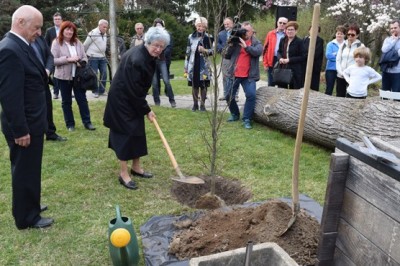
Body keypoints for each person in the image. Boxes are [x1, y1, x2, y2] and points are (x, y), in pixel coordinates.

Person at [0, 5, 54, 229]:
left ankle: (31, 205)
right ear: (20, 22)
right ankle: (26, 217)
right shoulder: (9, 50)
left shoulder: (23, 45)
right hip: (24, 127)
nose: (40, 33)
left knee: (31, 169)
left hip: (33, 122)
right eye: (37, 27)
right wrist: (20, 130)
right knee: (24, 171)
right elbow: (10, 97)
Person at [103, 26, 170, 190]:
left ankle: (136, 167)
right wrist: (146, 109)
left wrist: (143, 108)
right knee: (125, 136)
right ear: (148, 42)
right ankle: (123, 174)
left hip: (133, 99)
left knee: (138, 132)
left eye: (162, 46)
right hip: (122, 102)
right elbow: (133, 90)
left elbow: (138, 89)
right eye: (156, 45)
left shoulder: (147, 55)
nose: (158, 49)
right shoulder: (137, 59)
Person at [51, 21, 96, 132]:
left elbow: (85, 57)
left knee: (82, 100)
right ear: (62, 30)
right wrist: (67, 59)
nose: (70, 31)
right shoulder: (56, 43)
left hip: (78, 76)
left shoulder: (77, 42)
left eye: (72, 30)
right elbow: (52, 60)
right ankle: (70, 124)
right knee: (66, 102)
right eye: (67, 29)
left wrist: (81, 62)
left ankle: (87, 122)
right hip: (63, 77)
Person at [224, 21, 263, 129]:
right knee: (228, 96)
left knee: (251, 95)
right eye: (243, 30)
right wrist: (231, 45)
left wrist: (246, 47)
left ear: (252, 32)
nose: (245, 33)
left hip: (248, 76)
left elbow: (257, 52)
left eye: (247, 31)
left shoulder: (256, 42)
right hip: (234, 74)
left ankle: (246, 119)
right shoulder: (235, 41)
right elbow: (226, 56)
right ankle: (235, 114)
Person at [32, 35, 67, 142]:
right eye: (36, 26)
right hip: (30, 82)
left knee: (48, 107)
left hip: (44, 80)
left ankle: (50, 133)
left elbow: (50, 56)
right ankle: (33, 135)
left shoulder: (40, 39)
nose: (38, 30)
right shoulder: (21, 42)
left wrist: (47, 70)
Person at [185, 17, 213, 112]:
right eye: (198, 26)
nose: (200, 28)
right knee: (194, 85)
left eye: (202, 26)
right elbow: (188, 52)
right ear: (196, 26)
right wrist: (186, 66)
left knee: (203, 85)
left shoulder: (209, 37)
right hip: (193, 64)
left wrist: (204, 50)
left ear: (205, 27)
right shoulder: (191, 37)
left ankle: (202, 105)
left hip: (204, 65)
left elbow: (212, 52)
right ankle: (195, 104)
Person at [151, 18, 176, 107]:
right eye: (156, 26)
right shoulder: (151, 36)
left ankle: (172, 100)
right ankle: (157, 102)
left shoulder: (167, 35)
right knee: (154, 83)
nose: (158, 27)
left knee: (166, 81)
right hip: (153, 61)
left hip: (162, 61)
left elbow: (169, 47)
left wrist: (160, 52)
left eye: (160, 25)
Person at [336, 24, 364, 97]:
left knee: (351, 97)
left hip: (353, 77)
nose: (350, 36)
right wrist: (340, 72)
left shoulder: (361, 46)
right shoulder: (343, 45)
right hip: (341, 75)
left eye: (352, 35)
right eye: (348, 34)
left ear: (357, 35)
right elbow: (338, 60)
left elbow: (362, 63)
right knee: (339, 96)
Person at [276, 21, 306, 89]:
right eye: (288, 29)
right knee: (282, 89)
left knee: (294, 91)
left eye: (292, 30)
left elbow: (303, 56)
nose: (290, 31)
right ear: (285, 31)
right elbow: (278, 52)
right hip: (283, 68)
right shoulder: (283, 40)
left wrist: (289, 60)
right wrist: (280, 58)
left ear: (296, 31)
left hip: (295, 70)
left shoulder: (300, 42)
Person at [84, 19, 109, 97]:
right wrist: (84, 56)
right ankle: (95, 91)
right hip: (93, 57)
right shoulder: (93, 33)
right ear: (99, 26)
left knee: (104, 73)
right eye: (104, 27)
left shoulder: (105, 34)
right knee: (94, 74)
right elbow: (85, 45)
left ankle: (102, 90)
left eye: (106, 27)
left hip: (102, 56)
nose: (105, 29)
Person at [262, 17, 288, 86]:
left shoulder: (288, 35)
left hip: (283, 60)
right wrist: (265, 63)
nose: (282, 24)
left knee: (281, 83)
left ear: (286, 25)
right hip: (271, 59)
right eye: (280, 22)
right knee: (271, 82)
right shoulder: (270, 34)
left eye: (284, 23)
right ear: (277, 23)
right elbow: (265, 49)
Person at [44, 12, 63, 99]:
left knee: (66, 73)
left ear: (61, 20)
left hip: (64, 54)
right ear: (53, 20)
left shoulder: (65, 29)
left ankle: (66, 92)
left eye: (58, 19)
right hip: (53, 55)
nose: (57, 20)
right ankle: (56, 92)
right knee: (55, 74)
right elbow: (46, 43)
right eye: (55, 19)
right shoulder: (49, 31)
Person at [217, 17, 236, 101]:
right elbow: (217, 44)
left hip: (235, 57)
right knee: (225, 76)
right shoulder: (221, 34)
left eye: (228, 23)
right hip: (225, 57)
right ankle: (225, 94)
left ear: (232, 24)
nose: (226, 25)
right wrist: (222, 50)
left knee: (234, 76)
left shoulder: (236, 33)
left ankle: (234, 95)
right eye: (225, 24)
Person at [325, 25, 345, 95]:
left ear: (344, 35)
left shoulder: (346, 45)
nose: (339, 35)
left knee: (341, 90)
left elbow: (346, 57)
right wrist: (340, 57)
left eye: (341, 34)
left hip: (342, 70)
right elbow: (328, 55)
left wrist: (335, 54)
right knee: (329, 88)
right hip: (331, 69)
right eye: (338, 33)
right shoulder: (330, 44)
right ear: (335, 34)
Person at [303, 25, 324, 91]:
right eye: (312, 29)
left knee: (313, 86)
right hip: (304, 65)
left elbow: (316, 53)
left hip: (314, 67)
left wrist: (305, 55)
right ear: (309, 30)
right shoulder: (305, 39)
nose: (313, 31)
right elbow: (301, 51)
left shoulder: (320, 41)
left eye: (316, 30)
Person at [381, 19, 400, 92]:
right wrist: (394, 40)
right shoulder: (388, 39)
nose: (393, 30)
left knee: (397, 95)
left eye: (395, 28)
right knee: (385, 94)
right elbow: (384, 50)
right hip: (386, 71)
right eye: (391, 28)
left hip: (398, 72)